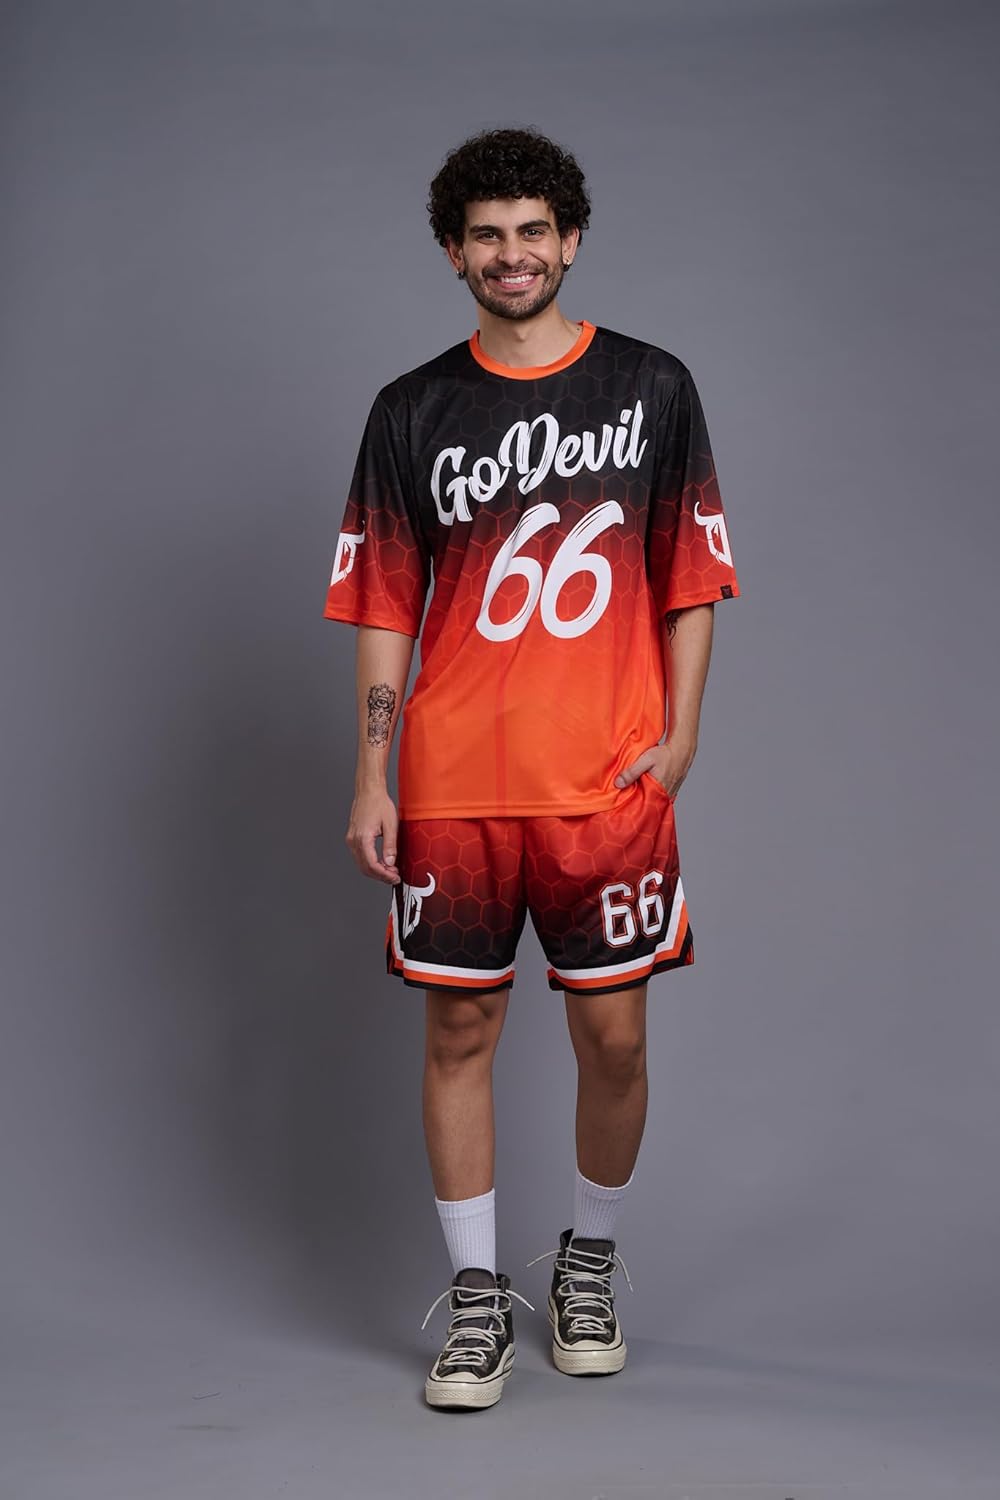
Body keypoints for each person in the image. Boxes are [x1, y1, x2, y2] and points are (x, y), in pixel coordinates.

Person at [323, 126, 740, 1411]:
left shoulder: (652, 387)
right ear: (454, 254)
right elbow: (384, 602)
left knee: (614, 1038)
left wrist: (679, 741)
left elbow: (690, 578)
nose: (512, 254)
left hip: (605, 783)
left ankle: (587, 1267)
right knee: (459, 1030)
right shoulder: (410, 409)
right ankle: (472, 1300)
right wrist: (372, 773)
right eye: (486, 236)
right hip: (453, 782)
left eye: (532, 231)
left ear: (570, 240)